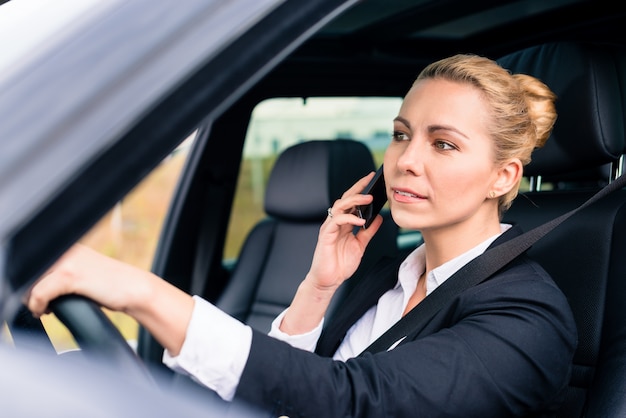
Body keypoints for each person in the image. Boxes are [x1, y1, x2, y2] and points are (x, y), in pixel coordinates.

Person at [25, 54, 577, 417]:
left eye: (444, 144)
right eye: (401, 135)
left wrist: (142, 292)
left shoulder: (526, 316)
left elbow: (351, 399)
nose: (405, 161)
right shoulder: (384, 275)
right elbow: (285, 388)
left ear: (503, 176)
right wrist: (318, 286)